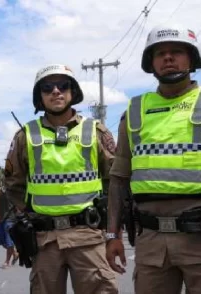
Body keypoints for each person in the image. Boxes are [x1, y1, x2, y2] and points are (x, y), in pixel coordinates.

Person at [4, 64, 118, 294]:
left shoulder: (96, 131)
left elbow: (115, 180)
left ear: (73, 92)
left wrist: (111, 226)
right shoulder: (25, 136)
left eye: (63, 85)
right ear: (39, 96)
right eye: (47, 87)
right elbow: (12, 184)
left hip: (88, 237)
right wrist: (25, 217)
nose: (55, 91)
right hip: (45, 240)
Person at [106, 25, 201, 294]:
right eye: (160, 53)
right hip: (151, 242)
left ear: (191, 59)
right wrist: (112, 236)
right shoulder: (135, 110)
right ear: (151, 63)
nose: (168, 58)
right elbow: (119, 179)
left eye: (177, 52)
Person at [0, 187, 19, 269]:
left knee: (9, 241)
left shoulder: (15, 190)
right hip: (1, 219)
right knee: (0, 240)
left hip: (10, 219)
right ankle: (15, 253)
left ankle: (7, 261)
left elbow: (19, 205)